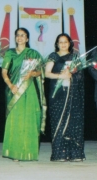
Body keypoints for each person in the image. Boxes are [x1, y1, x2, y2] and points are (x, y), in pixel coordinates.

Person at [2, 27, 46, 161]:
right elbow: (4, 72)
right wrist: (11, 85)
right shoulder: (10, 53)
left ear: (27, 39)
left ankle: (28, 152)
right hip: (15, 90)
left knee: (29, 119)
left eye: (23, 35)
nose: (20, 37)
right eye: (17, 35)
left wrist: (33, 73)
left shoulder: (33, 53)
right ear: (15, 38)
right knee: (15, 120)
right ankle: (15, 152)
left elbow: (41, 71)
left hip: (29, 90)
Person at [45, 33, 85, 162]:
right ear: (57, 44)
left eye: (65, 42)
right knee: (59, 121)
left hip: (73, 94)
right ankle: (60, 153)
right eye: (60, 42)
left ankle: (75, 153)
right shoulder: (53, 56)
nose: (63, 44)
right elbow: (47, 73)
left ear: (69, 43)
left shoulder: (75, 57)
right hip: (58, 94)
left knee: (74, 121)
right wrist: (60, 76)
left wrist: (72, 75)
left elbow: (80, 76)